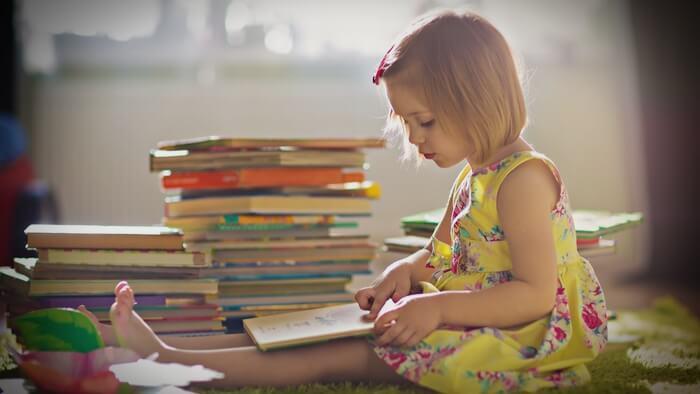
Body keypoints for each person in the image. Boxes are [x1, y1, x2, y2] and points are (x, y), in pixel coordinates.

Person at [80, 9, 607, 392]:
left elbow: (536, 295)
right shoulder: (475, 177)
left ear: (479, 102)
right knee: (305, 330)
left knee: (342, 352)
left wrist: (439, 305)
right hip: (475, 313)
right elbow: (441, 254)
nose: (416, 140)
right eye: (407, 125)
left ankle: (174, 365)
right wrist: (403, 271)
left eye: (424, 122)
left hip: (522, 338)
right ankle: (164, 348)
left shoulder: (523, 180)